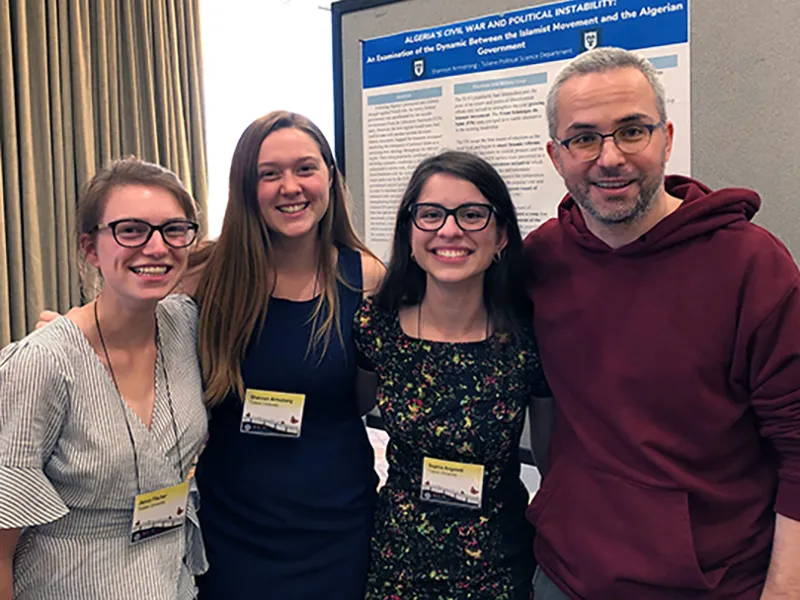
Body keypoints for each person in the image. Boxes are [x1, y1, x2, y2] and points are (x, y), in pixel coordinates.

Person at [524, 47, 800, 599]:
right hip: (565, 575)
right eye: (584, 138)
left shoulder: (751, 266)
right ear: (556, 156)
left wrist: (785, 588)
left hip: (710, 584)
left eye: (632, 131)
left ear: (667, 138)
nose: (610, 157)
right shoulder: (541, 259)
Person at [189, 111, 385, 599]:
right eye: (269, 174)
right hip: (233, 527)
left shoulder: (367, 278)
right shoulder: (204, 276)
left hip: (335, 525)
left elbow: (362, 398)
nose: (290, 187)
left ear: (330, 178)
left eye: (305, 168)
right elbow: (122, 321)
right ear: (245, 187)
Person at [0, 158, 208, 599]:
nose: (156, 248)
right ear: (90, 248)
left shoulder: (186, 325)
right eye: (130, 230)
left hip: (173, 580)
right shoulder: (41, 366)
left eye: (173, 230)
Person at [355, 150, 552, 599]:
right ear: (409, 231)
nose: (449, 230)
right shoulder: (377, 326)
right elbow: (351, 410)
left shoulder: (528, 338)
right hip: (396, 566)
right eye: (430, 215)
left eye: (471, 215)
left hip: (498, 567)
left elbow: (552, 460)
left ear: (502, 235)